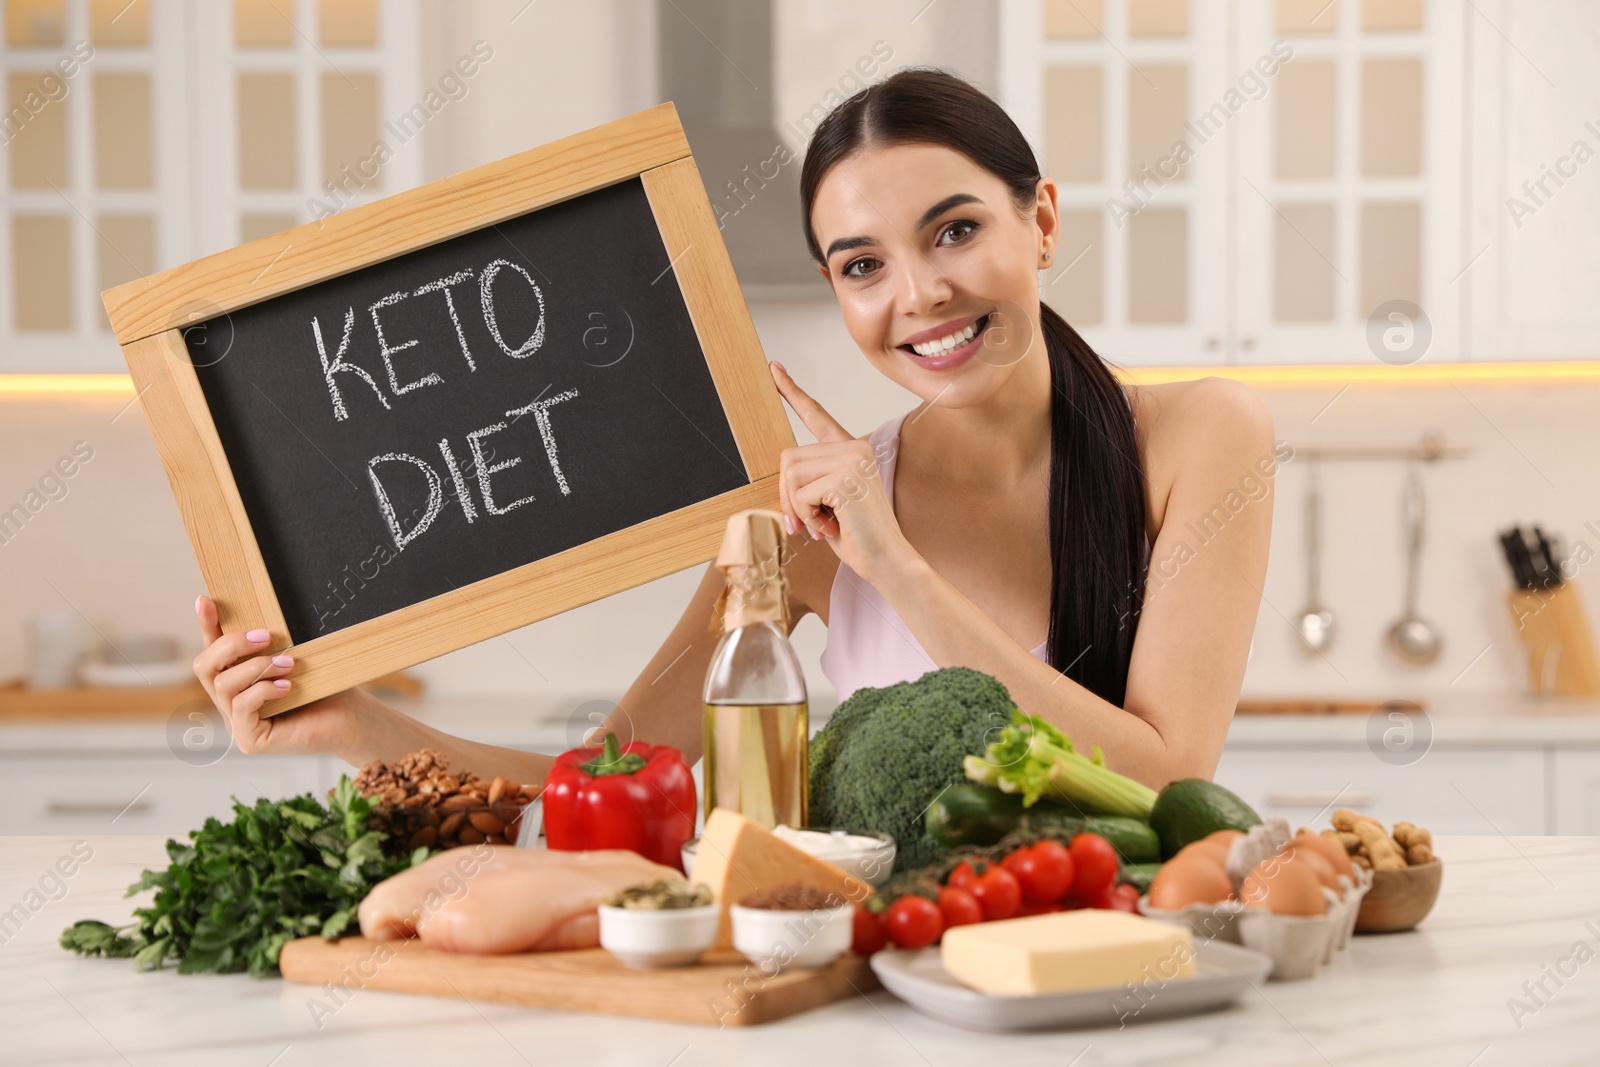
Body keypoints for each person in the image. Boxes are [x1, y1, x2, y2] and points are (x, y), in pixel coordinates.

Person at [192, 68, 1273, 792]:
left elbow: (1169, 782)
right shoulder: (802, 517)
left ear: (1039, 220)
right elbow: (600, 789)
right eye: (863, 264)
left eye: (954, 229)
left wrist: (891, 564)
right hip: (890, 991)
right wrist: (355, 729)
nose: (921, 293)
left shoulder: (1196, 439)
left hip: (1137, 984)